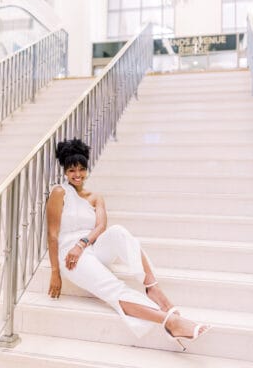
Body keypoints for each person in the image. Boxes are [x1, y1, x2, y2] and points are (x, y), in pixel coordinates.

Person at [47, 137, 211, 351]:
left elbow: (101, 227)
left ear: (87, 169)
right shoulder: (59, 192)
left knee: (118, 232)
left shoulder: (96, 197)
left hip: (90, 247)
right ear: (65, 172)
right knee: (113, 288)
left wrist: (83, 243)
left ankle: (152, 288)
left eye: (81, 169)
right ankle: (170, 322)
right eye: (71, 171)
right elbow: (52, 234)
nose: (77, 175)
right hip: (70, 256)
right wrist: (55, 272)